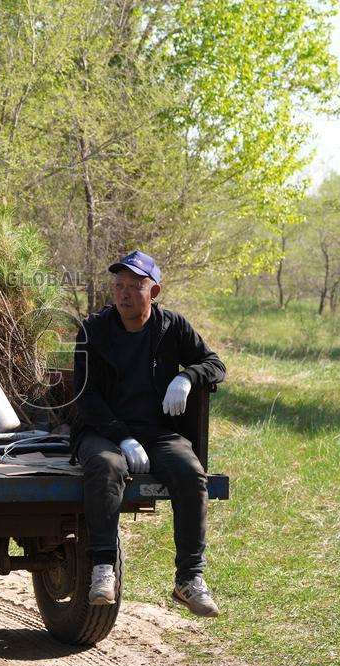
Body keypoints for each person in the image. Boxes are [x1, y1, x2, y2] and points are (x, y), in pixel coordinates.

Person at [71, 250, 226, 617]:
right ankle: (103, 567)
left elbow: (214, 364)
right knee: (106, 467)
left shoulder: (172, 327)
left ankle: (189, 579)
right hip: (102, 431)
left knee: (190, 471)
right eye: (119, 286)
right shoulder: (93, 330)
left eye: (135, 286)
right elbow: (87, 397)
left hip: (157, 433)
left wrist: (187, 377)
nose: (124, 294)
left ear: (153, 292)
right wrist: (122, 437)